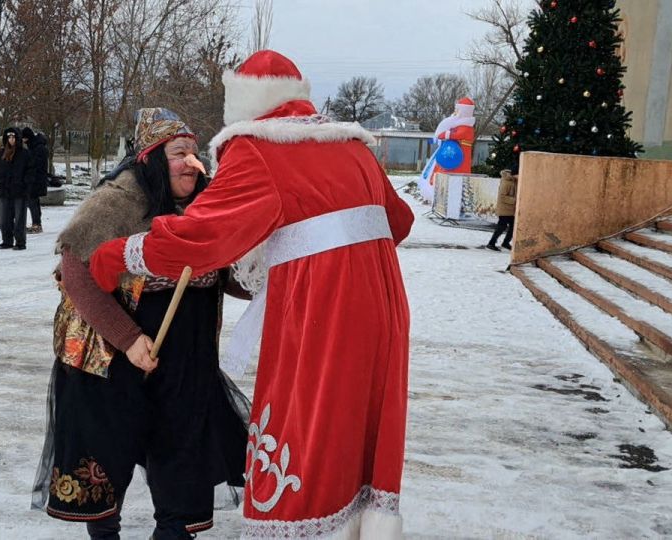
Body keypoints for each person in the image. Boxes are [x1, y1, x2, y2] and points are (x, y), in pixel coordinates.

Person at [89, 51, 414, 538]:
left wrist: (118, 255)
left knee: (305, 426)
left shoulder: (258, 146)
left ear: (241, 104)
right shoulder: (353, 145)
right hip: (383, 302)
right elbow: (399, 222)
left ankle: (302, 525)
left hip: (322, 306)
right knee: (359, 424)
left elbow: (202, 236)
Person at [32, 108, 248, 539]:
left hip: (185, 352)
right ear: (150, 159)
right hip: (109, 353)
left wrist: (269, 276)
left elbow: (230, 276)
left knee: (181, 446)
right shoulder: (119, 199)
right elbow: (75, 272)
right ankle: (105, 532)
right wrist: (129, 339)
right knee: (106, 450)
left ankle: (172, 531)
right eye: (178, 153)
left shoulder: (208, 206)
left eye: (194, 151)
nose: (191, 161)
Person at [0, 127, 32, 250]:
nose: (11, 140)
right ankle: (7, 240)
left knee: (19, 218)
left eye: (14, 137)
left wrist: (24, 185)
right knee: (4, 218)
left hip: (19, 191)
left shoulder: (25, 154)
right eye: (9, 137)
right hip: (4, 191)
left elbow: (30, 172)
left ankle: (20, 242)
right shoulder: (3, 153)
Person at [22, 127, 48, 234]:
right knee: (34, 202)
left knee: (32, 202)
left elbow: (36, 164)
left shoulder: (38, 148)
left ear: (27, 138)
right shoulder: (34, 146)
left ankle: (37, 224)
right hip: (35, 179)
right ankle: (36, 223)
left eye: (23, 138)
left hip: (35, 180)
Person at [487, 169, 517, 251]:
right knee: (501, 227)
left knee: (513, 227)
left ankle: (505, 243)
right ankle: (491, 243)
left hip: (510, 209)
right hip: (504, 209)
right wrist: (515, 200)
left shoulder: (513, 181)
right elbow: (502, 197)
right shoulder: (506, 182)